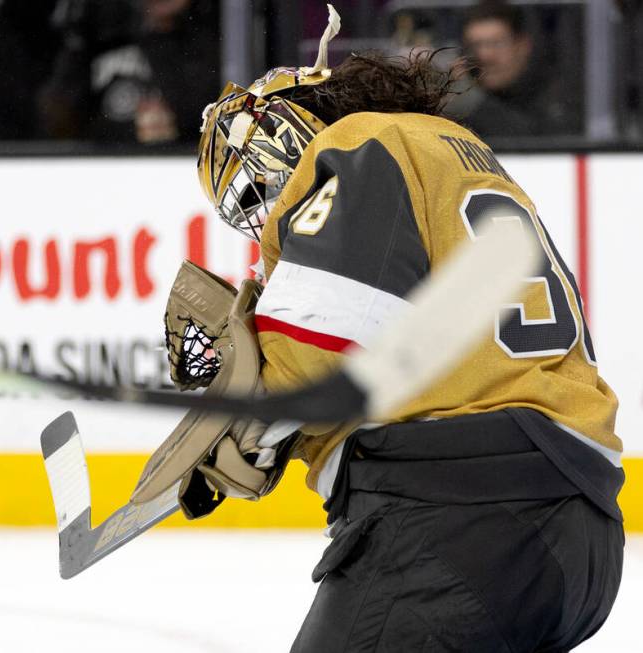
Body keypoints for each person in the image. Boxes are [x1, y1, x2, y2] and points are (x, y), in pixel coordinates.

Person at [192, 6, 623, 651]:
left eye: (260, 185)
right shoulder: (453, 151)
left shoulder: (357, 145)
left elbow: (317, 351)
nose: (266, 211)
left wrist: (243, 423)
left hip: (458, 524)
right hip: (581, 533)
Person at [38, 0, 218, 143]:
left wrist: (175, 125)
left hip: (177, 163)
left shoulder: (213, 41)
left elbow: (217, 118)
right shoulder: (99, 34)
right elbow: (57, 118)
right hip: (98, 163)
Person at [446, 1, 581, 138]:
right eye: (475, 45)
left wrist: (473, 102)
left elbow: (539, 146)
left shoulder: (558, 97)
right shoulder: (460, 95)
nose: (485, 55)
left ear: (523, 45)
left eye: (496, 43)